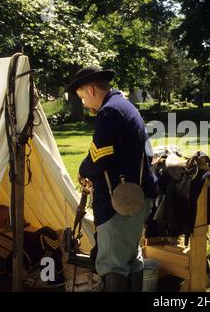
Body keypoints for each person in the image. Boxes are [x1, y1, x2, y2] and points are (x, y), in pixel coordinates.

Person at [66, 66, 158, 291]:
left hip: (121, 203)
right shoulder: (123, 106)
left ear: (90, 90)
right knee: (130, 259)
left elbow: (98, 156)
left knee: (112, 265)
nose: (85, 104)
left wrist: (82, 171)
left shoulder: (110, 112)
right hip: (136, 197)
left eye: (82, 98)